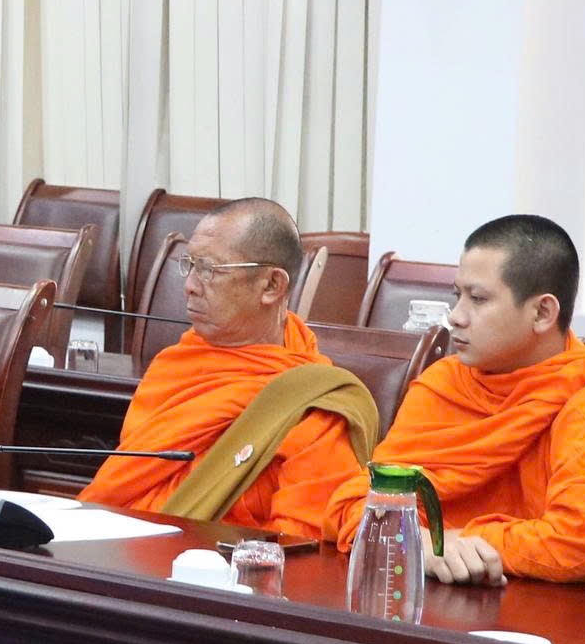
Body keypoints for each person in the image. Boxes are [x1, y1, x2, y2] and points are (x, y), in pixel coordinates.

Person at [322, 214, 585, 601]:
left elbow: (581, 542)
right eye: (457, 296)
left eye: (478, 299)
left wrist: (452, 542)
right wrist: (416, 541)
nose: (456, 316)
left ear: (543, 313)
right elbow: (359, 505)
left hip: (574, 619)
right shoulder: (443, 386)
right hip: (443, 605)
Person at [79, 199, 375, 540]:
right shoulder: (176, 366)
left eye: (209, 270)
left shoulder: (312, 405)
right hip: (114, 547)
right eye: (189, 265)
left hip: (215, 567)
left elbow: (297, 542)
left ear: (271, 286)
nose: (189, 285)